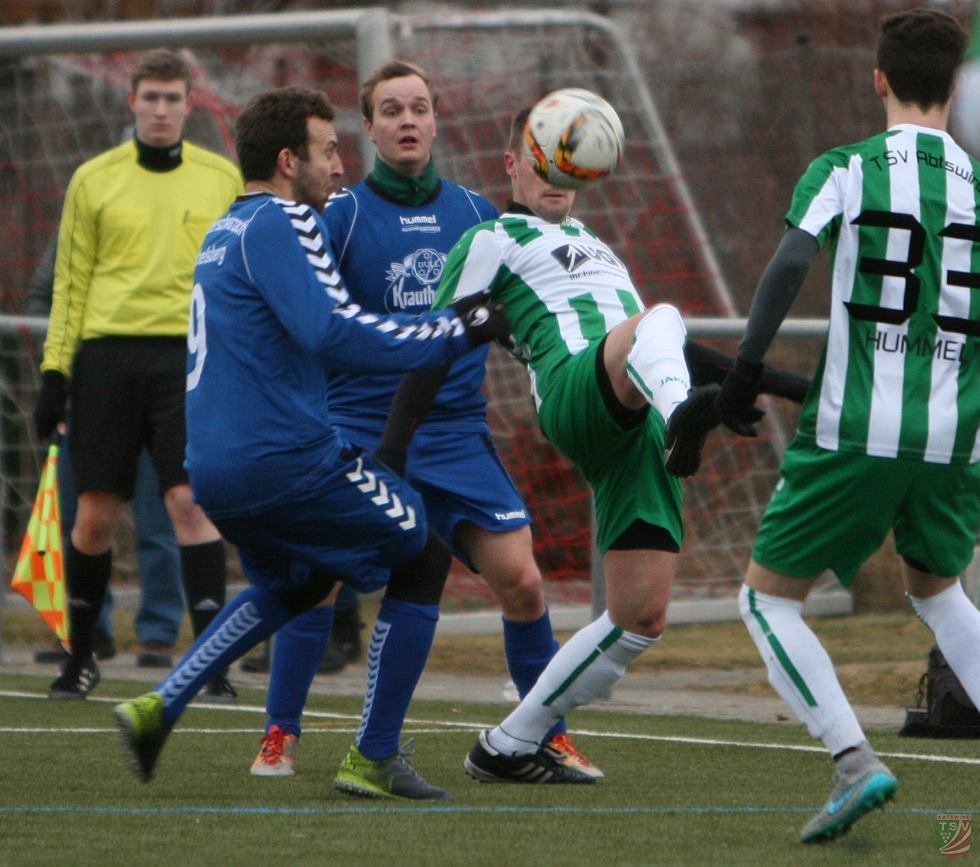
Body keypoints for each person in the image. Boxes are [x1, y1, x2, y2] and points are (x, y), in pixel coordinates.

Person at [378, 107, 802, 784]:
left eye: (567, 159)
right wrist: (392, 451)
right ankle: (681, 417)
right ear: (512, 165)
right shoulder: (493, 236)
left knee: (640, 615)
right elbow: (436, 344)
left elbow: (667, 346)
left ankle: (510, 742)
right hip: (579, 395)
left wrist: (784, 383)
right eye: (538, 156)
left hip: (635, 419)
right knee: (657, 318)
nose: (555, 171)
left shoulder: (598, 243)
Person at [111, 85, 511, 793]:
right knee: (422, 556)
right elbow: (332, 328)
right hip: (286, 459)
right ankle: (374, 756)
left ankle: (158, 704)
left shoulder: (224, 229)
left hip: (215, 468)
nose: (339, 166)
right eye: (329, 150)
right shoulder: (286, 220)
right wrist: (456, 328)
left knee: (295, 585)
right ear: (289, 159)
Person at [249, 59, 600, 782]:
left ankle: (543, 734)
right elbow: (307, 323)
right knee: (319, 580)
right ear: (369, 127)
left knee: (523, 581)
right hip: (361, 431)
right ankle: (280, 731)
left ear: (437, 121)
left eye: (418, 107)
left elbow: (508, 310)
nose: (407, 120)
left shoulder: (477, 214)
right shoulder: (338, 218)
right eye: (391, 110)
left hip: (456, 435)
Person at [715, 9, 980, 844]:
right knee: (939, 593)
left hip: (857, 426)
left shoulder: (847, 166)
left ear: (878, 78)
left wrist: (747, 371)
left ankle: (851, 759)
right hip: (954, 435)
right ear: (956, 82)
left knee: (766, 603)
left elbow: (794, 258)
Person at [33, 48, 243, 700]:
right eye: (149, 97)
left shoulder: (220, 178)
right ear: (132, 102)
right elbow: (70, 285)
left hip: (186, 359)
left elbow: (236, 279)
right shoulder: (93, 179)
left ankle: (210, 662)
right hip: (106, 360)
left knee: (188, 501)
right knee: (95, 515)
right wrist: (53, 373)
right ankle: (82, 655)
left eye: (171, 98)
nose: (159, 109)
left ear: (189, 104)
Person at [25, 231, 183, 670]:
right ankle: (87, 631)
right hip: (93, 393)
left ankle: (158, 634)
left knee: (162, 519)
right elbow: (41, 296)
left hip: (160, 391)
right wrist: (61, 362)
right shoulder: (85, 210)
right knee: (81, 519)